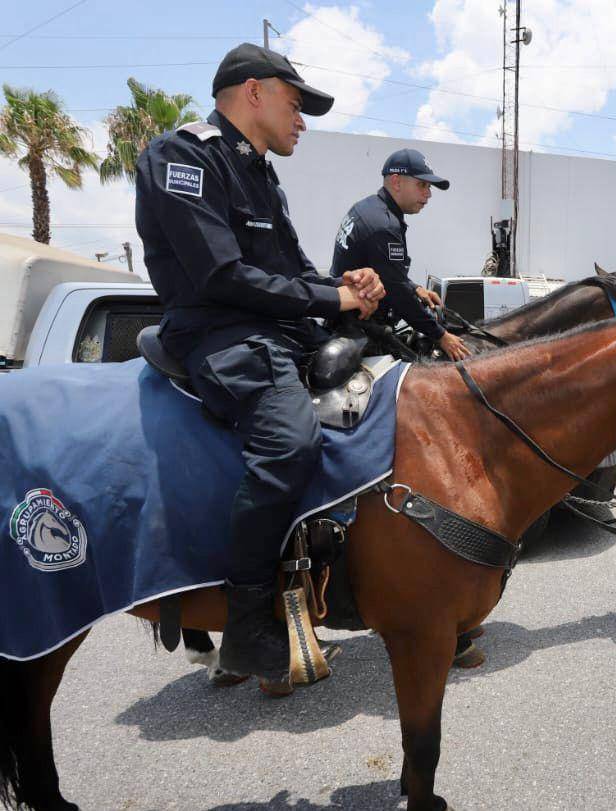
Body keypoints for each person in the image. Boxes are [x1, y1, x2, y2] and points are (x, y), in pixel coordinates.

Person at [134, 43, 386, 684]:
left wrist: (348, 287)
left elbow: (293, 270)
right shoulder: (181, 156)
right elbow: (221, 274)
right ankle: (247, 623)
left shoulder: (262, 175)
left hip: (279, 330)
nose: (301, 121)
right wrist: (332, 298)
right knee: (289, 443)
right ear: (254, 93)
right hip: (222, 336)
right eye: (295, 105)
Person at [331, 149, 471, 361]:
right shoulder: (383, 225)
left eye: (429, 187)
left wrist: (414, 288)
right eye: (422, 185)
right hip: (360, 331)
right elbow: (398, 294)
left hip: (349, 321)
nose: (428, 194)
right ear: (396, 182)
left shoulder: (368, 208)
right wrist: (441, 336)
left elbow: (387, 272)